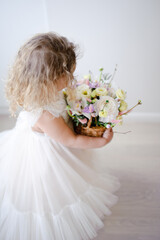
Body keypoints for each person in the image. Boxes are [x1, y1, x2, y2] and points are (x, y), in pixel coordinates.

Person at [0, 32, 121, 240]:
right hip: (50, 154)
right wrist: (100, 141)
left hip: (57, 135)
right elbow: (70, 140)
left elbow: (67, 102)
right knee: (55, 189)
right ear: (49, 80)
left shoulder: (42, 89)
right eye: (67, 75)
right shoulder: (46, 114)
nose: (71, 78)